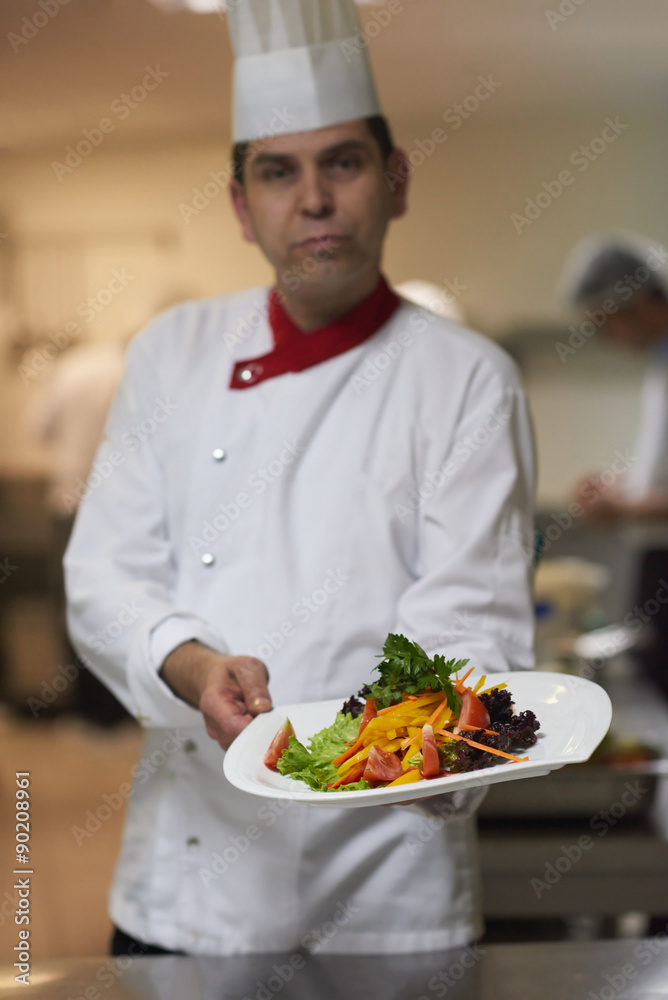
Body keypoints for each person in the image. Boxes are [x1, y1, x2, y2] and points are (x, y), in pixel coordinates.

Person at [65, 0, 536, 956]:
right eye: (278, 172)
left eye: (343, 163)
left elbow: (468, 629)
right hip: (186, 887)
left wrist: (393, 752)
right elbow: (103, 575)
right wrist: (195, 667)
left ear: (395, 182)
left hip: (385, 894)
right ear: (242, 207)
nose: (313, 199)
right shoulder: (171, 352)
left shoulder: (467, 379)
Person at [560, 231, 668, 697]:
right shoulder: (660, 361)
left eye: (606, 322)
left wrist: (623, 507)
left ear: (639, 303)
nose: (606, 338)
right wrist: (620, 491)